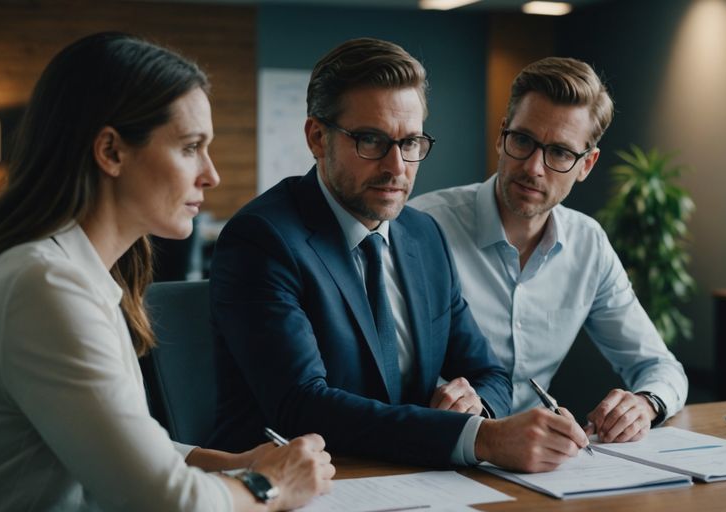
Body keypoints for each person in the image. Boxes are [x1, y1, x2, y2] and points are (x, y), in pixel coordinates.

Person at [0, 32, 333, 511]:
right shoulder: (44, 285)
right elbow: (165, 503)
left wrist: (229, 462)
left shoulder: (76, 274)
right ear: (112, 152)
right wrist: (271, 486)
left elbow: (127, 445)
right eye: (190, 147)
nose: (211, 174)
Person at [208, 38, 589, 473]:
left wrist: (475, 407)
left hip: (412, 482)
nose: (397, 167)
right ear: (317, 137)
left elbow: (490, 373)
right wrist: (479, 438)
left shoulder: (422, 234)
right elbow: (302, 406)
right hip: (288, 486)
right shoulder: (263, 238)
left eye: (410, 143)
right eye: (371, 141)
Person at [409, 57, 688, 444]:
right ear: (501, 135)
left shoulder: (588, 245)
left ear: (586, 164)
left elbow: (658, 365)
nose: (534, 168)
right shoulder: (421, 227)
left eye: (559, 153)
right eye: (523, 141)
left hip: (533, 459)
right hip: (435, 447)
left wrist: (644, 403)